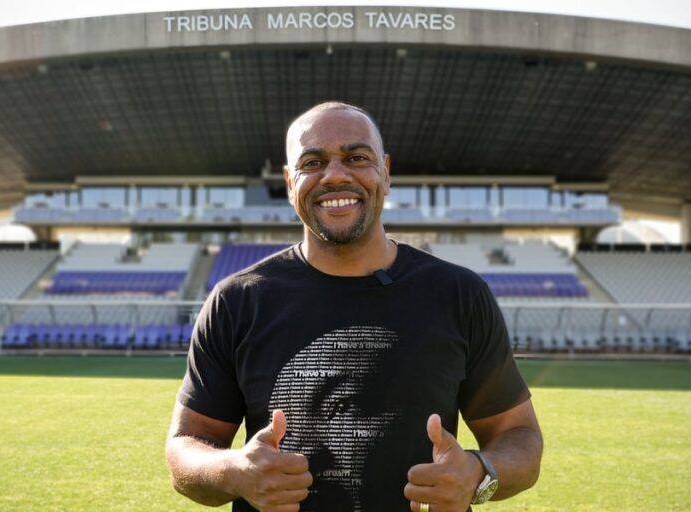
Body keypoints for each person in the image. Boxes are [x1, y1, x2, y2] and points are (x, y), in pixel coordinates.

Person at [166, 101, 542, 512]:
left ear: (385, 172)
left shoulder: (459, 294)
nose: (335, 175)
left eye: (357, 158)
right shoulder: (236, 301)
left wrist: (478, 473)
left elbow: (518, 434)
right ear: (290, 183)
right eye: (313, 162)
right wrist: (233, 471)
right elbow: (185, 446)